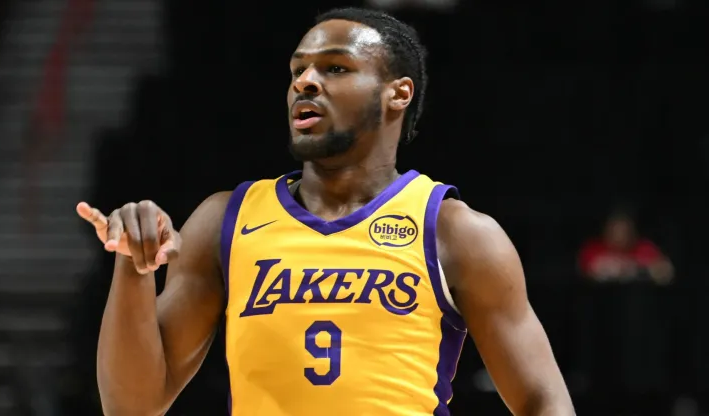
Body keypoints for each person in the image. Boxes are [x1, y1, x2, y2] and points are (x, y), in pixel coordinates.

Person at [77, 7, 573, 416]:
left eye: (335, 67)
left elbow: (543, 398)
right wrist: (133, 267)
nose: (306, 82)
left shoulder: (456, 232)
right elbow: (132, 407)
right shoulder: (224, 220)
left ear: (398, 93)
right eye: (297, 70)